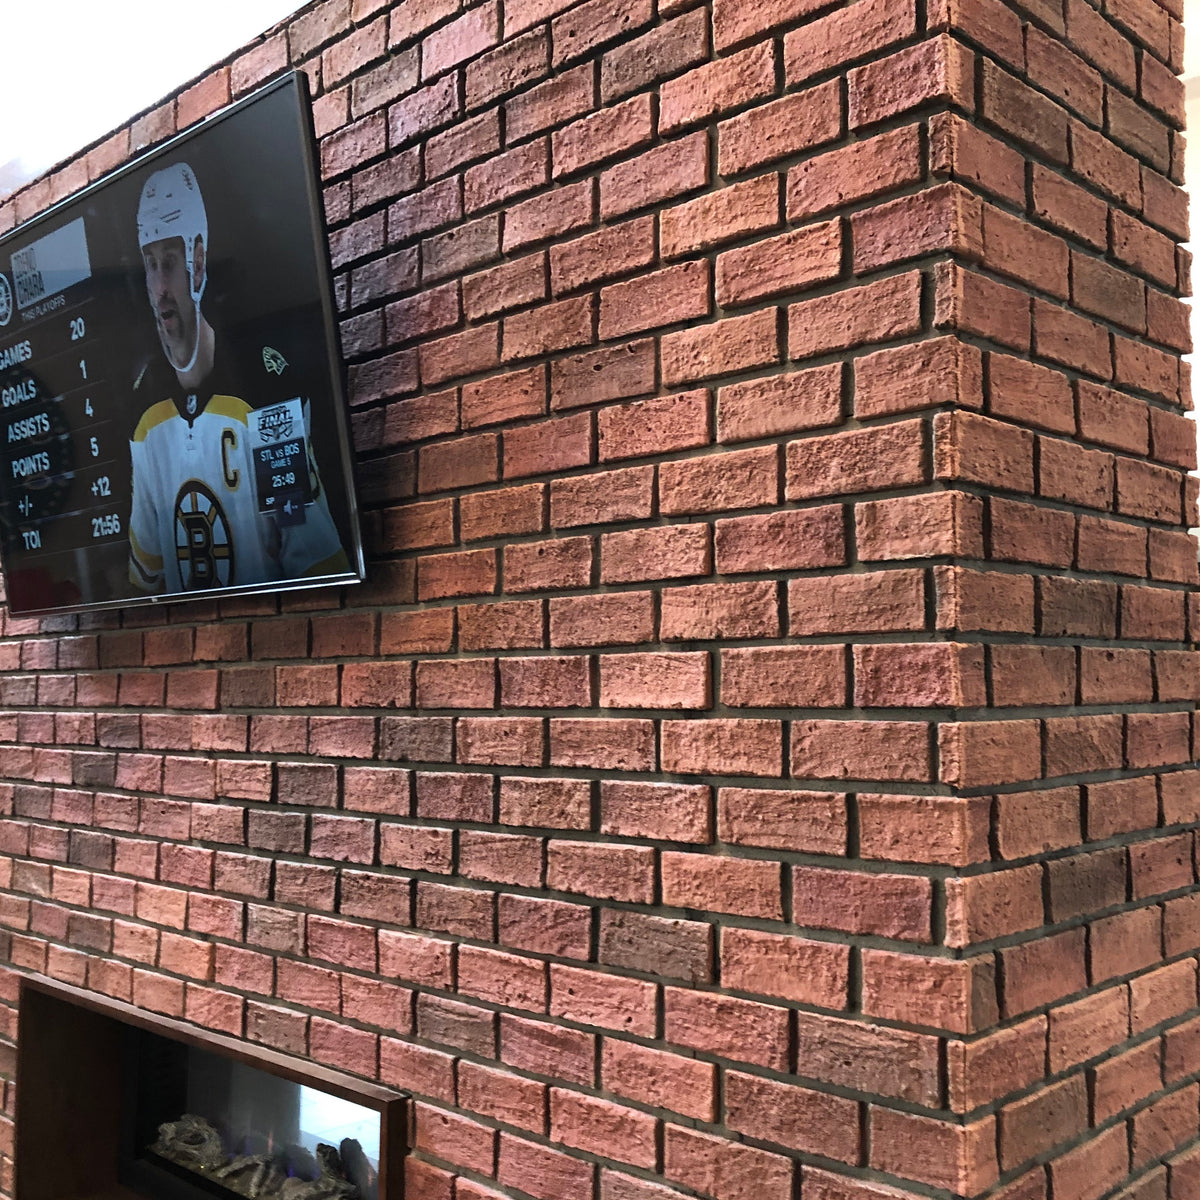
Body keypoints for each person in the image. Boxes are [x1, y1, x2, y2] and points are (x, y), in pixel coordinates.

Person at [127, 162, 349, 595]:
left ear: (197, 261)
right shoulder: (145, 408)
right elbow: (145, 576)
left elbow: (316, 565)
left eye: (169, 262)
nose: (159, 286)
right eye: (150, 265)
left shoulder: (265, 389)